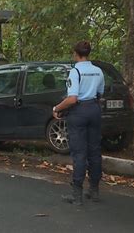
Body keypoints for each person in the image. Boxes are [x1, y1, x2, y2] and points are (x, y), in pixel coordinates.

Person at [52, 41, 105, 206]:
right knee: (95, 151)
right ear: (88, 53)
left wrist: (57, 108)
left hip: (79, 112)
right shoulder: (98, 71)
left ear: (76, 54)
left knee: (79, 153)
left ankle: (77, 195)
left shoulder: (75, 72)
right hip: (94, 111)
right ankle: (94, 191)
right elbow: (100, 94)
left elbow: (72, 98)